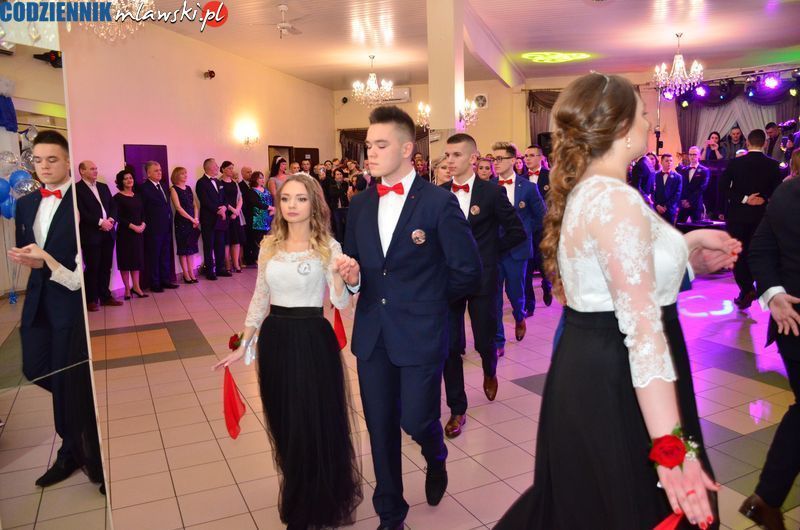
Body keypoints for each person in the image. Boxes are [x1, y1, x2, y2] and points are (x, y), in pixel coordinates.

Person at [496, 73, 742, 530]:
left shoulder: (597, 191)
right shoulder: (614, 200)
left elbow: (618, 276)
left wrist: (688, 249)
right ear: (624, 127)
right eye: (644, 114)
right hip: (621, 375)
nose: (650, 122)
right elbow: (642, 331)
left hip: (598, 360)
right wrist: (671, 451)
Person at [340, 106, 482, 529]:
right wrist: (352, 280)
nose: (370, 153)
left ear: (406, 149)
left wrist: (429, 304)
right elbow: (356, 266)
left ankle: (435, 453)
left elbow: (467, 271)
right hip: (373, 334)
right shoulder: (360, 204)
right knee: (380, 426)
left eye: (380, 145)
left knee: (416, 419)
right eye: (368, 145)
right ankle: (390, 512)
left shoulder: (438, 202)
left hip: (421, 331)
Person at [214, 174, 362, 529]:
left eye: (300, 198)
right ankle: (298, 492)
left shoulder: (328, 246)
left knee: (314, 422)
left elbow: (341, 302)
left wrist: (349, 278)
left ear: (314, 204)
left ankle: (319, 500)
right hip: (276, 339)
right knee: (286, 423)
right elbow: (260, 298)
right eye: (285, 198)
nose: (292, 205)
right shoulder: (269, 245)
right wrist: (244, 343)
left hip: (312, 339)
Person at [8, 130, 104, 491]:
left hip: (70, 303)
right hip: (38, 303)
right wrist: (27, 260)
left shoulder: (79, 202)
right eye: (38, 160)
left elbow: (79, 275)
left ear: (67, 161)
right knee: (36, 368)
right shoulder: (25, 205)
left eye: (52, 159)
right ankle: (78, 437)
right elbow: (29, 251)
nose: (44, 167)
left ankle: (76, 453)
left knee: (69, 378)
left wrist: (46, 260)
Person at [441, 134, 525, 438]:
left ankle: (490, 370)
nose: (450, 161)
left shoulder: (491, 192)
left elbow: (516, 231)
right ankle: (457, 408)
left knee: (484, 339)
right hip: (449, 280)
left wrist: (488, 253)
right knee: (451, 345)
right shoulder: (438, 195)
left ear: (473, 158)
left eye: (457, 155)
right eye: (447, 155)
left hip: (482, 278)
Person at [743, 177, 800, 530]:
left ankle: (766, 499)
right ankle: (765, 499)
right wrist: (775, 295)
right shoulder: (789, 192)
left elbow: (760, 250)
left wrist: (774, 292)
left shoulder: (788, 190)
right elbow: (760, 249)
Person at [720, 129, 781, 310]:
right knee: (757, 253)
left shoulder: (735, 163)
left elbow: (722, 187)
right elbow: (777, 191)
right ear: (764, 143)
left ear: (747, 142)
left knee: (738, 253)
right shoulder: (773, 165)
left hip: (738, 216)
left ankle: (747, 289)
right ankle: (749, 289)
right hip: (762, 217)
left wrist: (744, 198)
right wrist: (764, 198)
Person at [496, 154, 545, 357]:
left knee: (515, 291)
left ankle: (519, 315)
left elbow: (541, 216)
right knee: (494, 296)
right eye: (494, 159)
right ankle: (498, 340)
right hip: (495, 248)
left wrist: (523, 230)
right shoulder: (488, 186)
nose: (496, 162)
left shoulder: (528, 187)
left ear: (512, 161)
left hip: (518, 247)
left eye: (500, 158)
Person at [75, 160, 121, 311]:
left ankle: (105, 296)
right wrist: (101, 222)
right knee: (93, 267)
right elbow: (82, 211)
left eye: (96, 168)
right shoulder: (77, 189)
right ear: (82, 171)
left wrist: (111, 220)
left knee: (106, 266)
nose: (95, 171)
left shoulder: (103, 186)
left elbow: (113, 206)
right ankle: (91, 299)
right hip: (91, 234)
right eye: (92, 169)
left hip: (108, 232)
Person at [139, 161, 178, 292]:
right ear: (148, 173)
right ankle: (155, 283)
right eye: (156, 170)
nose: (159, 172)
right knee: (154, 256)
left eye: (160, 170)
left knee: (165, 254)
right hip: (153, 228)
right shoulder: (144, 188)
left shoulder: (163, 185)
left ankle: (165, 280)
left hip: (166, 226)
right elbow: (143, 209)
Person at [113, 169, 148, 299]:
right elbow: (118, 217)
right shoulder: (117, 198)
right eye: (126, 178)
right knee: (125, 261)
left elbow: (143, 213)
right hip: (125, 234)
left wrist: (143, 224)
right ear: (121, 181)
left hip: (138, 233)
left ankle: (137, 288)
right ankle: (127, 289)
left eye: (131, 178)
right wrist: (133, 226)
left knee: (136, 261)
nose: (129, 180)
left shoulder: (138, 196)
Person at [196, 158, 229, 280]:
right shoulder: (201, 183)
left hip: (220, 218)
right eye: (216, 166)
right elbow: (205, 201)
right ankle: (210, 271)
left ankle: (220, 268)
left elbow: (225, 198)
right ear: (209, 167)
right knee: (209, 245)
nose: (217, 167)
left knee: (220, 244)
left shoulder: (219, 182)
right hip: (208, 219)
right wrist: (218, 210)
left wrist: (224, 207)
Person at [170, 166, 200, 283]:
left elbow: (195, 205)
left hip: (192, 221)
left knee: (191, 249)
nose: (185, 175)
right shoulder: (174, 189)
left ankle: (192, 273)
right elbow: (178, 208)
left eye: (186, 173)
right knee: (183, 249)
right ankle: (186, 274)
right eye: (182, 173)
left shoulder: (188, 188)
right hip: (182, 222)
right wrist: (191, 219)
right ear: (176, 175)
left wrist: (196, 218)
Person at [219, 161, 245, 273]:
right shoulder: (219, 183)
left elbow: (240, 198)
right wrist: (232, 210)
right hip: (226, 214)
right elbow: (222, 199)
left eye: (232, 168)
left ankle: (236, 264)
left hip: (236, 214)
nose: (231, 170)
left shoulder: (235, 183)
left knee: (236, 240)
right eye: (229, 168)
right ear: (223, 169)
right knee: (227, 241)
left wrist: (237, 211)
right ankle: (228, 265)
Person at [677, 146, 710, 222]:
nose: (692, 156)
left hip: (696, 204)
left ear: (699, 156)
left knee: (696, 227)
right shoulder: (683, 170)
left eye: (694, 154)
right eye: (690, 154)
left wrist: (689, 201)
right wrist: (683, 200)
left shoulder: (704, 170)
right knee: (679, 226)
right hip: (683, 204)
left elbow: (701, 188)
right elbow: (681, 187)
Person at [245, 170, 274, 251]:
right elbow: (256, 203)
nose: (262, 180)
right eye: (260, 178)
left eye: (263, 178)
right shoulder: (251, 191)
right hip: (257, 221)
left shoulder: (266, 190)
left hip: (268, 219)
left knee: (268, 242)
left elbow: (270, 201)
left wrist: (273, 209)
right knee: (258, 242)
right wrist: (270, 208)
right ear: (255, 179)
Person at [654, 153, 683, 225]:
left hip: (670, 210)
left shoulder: (678, 177)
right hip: (656, 209)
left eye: (671, 161)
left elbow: (677, 194)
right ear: (661, 162)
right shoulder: (655, 175)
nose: (669, 162)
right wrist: (657, 205)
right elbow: (652, 192)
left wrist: (666, 207)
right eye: (667, 161)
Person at [328, 167, 349, 242]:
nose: (339, 176)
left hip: (345, 207)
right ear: (334, 176)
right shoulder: (331, 184)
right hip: (336, 208)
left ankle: (346, 241)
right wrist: (341, 191)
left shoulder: (345, 184)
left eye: (340, 174)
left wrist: (340, 191)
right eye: (337, 174)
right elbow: (332, 194)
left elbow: (345, 193)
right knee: (338, 225)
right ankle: (339, 241)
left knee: (346, 225)